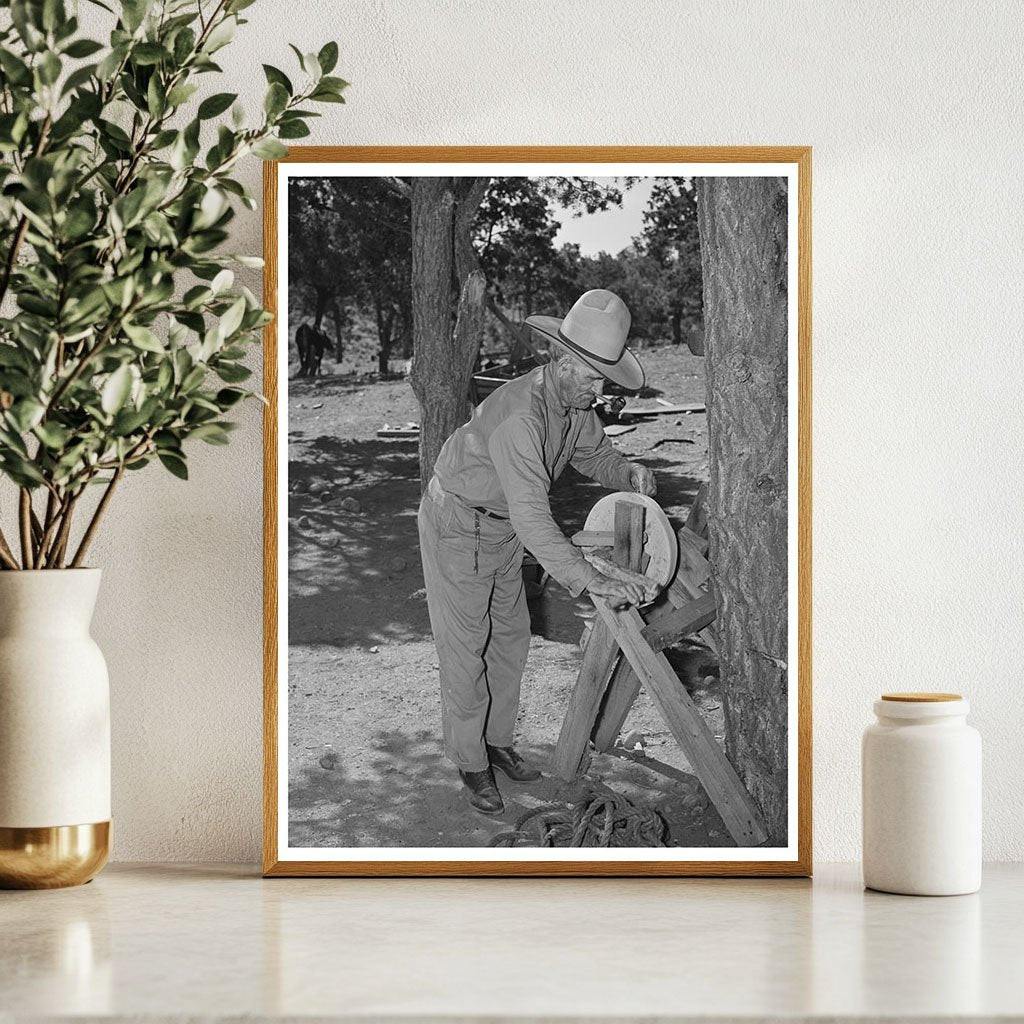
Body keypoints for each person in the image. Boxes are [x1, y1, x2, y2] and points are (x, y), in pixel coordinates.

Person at [417, 289, 657, 815]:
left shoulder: (573, 401)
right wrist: (590, 578)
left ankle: (497, 743)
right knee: (466, 649)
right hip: (459, 524)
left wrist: (626, 472)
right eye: (595, 379)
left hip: (500, 529)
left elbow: (594, 453)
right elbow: (532, 518)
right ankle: (471, 761)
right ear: (564, 361)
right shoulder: (521, 418)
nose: (600, 393)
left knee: (510, 638)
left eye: (604, 381)